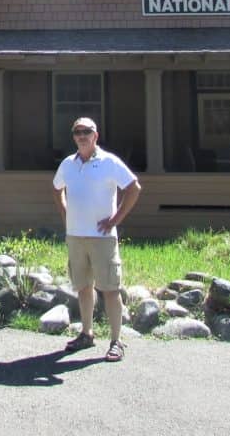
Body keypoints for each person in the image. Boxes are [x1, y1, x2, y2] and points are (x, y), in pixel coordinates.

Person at [52, 116, 141, 362]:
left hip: (102, 238)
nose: (82, 136)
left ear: (95, 136)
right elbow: (56, 188)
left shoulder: (109, 162)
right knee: (83, 287)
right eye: (77, 132)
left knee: (110, 289)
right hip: (75, 237)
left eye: (87, 131)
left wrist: (115, 220)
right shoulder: (68, 164)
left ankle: (116, 341)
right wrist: (64, 212)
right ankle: (86, 333)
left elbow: (134, 188)